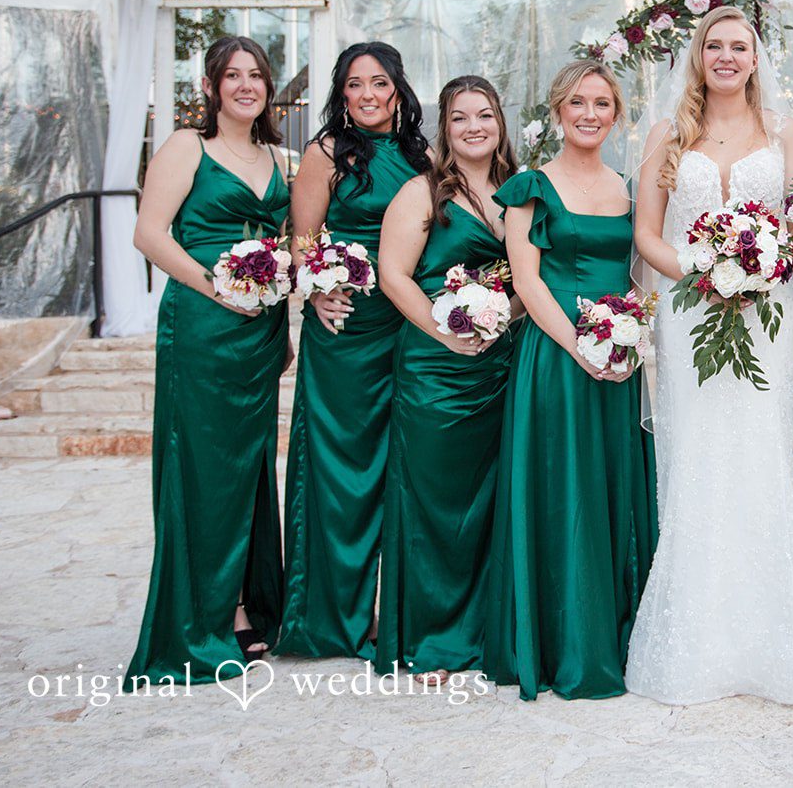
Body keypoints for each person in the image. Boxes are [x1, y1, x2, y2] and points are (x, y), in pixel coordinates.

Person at [625, 5, 793, 705]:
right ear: (697, 56)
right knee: (695, 454)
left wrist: (758, 271)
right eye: (714, 45)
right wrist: (699, 273)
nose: (726, 56)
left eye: (739, 46)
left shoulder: (783, 132)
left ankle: (774, 639)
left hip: (766, 312)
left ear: (757, 59)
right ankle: (696, 642)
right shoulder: (667, 132)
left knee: (761, 454)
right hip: (692, 311)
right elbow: (647, 234)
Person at [483, 61, 658, 700]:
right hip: (556, 360)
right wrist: (581, 345)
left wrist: (633, 336)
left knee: (613, 488)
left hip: (620, 362)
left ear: (616, 114)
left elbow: (638, 274)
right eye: (578, 102)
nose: (590, 114)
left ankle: (614, 637)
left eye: (603, 104)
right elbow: (526, 280)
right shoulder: (530, 185)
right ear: (559, 110)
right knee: (565, 491)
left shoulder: (628, 188)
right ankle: (562, 644)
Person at [124, 35, 289, 690]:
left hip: (258, 335)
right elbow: (149, 233)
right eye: (233, 75)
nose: (246, 84)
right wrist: (216, 284)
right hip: (201, 325)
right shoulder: (185, 147)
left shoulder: (279, 157)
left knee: (248, 470)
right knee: (202, 471)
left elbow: (293, 239)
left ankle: (247, 602)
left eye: (257, 75)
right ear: (213, 84)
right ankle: (205, 618)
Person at [279, 42, 430, 660]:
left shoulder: (427, 154)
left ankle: (400, 611)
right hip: (346, 332)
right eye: (353, 85)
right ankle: (333, 616)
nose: (367, 95)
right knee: (342, 475)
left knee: (408, 468)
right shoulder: (325, 154)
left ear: (398, 89)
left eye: (379, 83)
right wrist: (314, 291)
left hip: (412, 327)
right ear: (341, 95)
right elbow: (302, 238)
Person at [373, 76, 520, 683]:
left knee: (493, 501)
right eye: (460, 118)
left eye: (484, 115)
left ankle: (488, 633)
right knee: (436, 502)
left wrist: (501, 318)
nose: (474, 127)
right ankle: (433, 639)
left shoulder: (520, 191)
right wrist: (445, 329)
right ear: (445, 128)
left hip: (501, 365)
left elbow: (529, 276)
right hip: (435, 367)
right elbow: (394, 276)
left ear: (500, 122)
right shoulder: (421, 192)